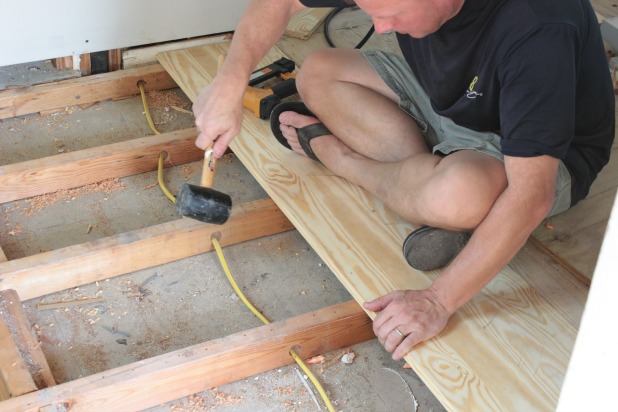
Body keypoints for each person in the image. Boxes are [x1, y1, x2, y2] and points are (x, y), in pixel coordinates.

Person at [192, 0, 615, 360]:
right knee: (319, 70)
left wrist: (437, 301)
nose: (380, 27)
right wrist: (230, 83)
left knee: (457, 195)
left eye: (391, 13)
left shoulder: (538, 27)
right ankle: (427, 189)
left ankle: (342, 159)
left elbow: (531, 193)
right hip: (453, 104)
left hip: (538, 156)